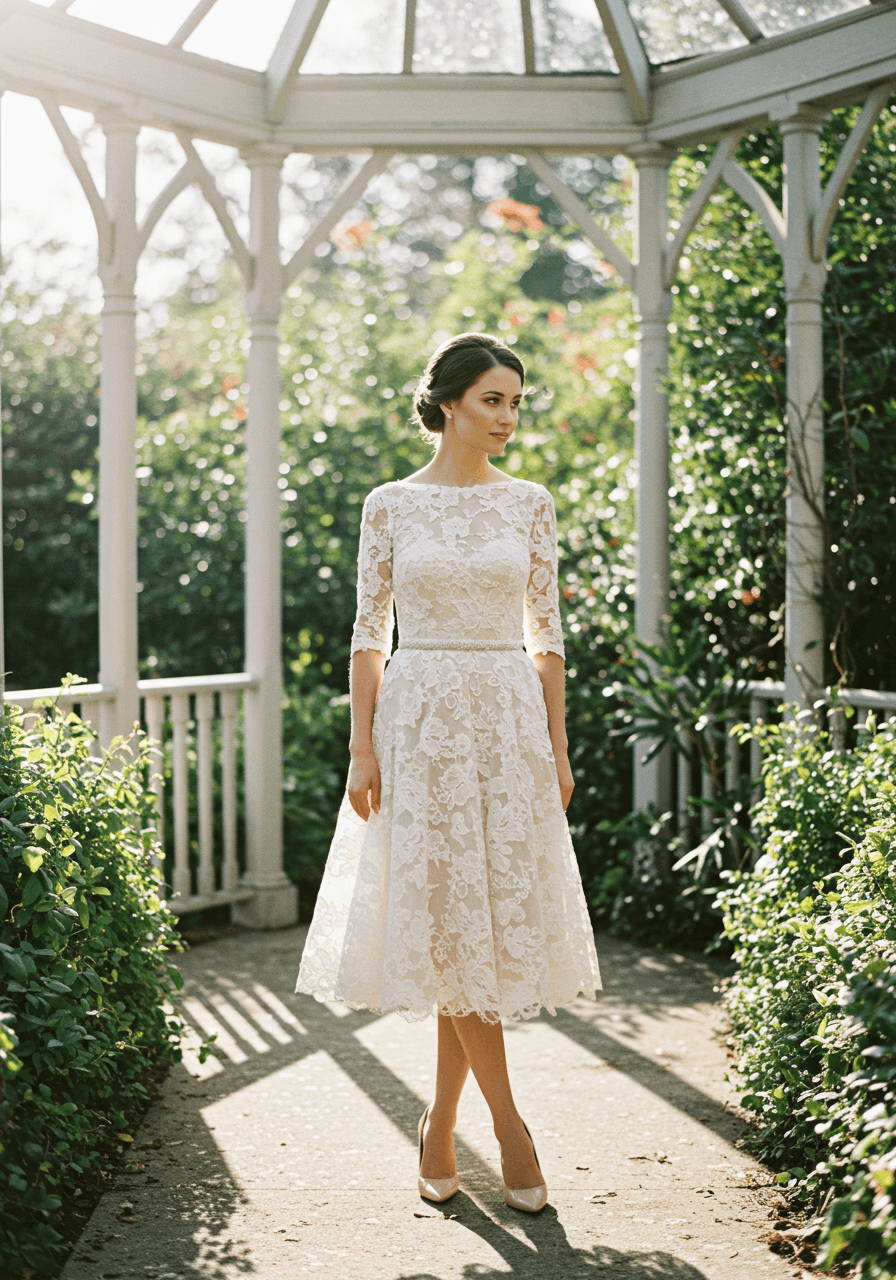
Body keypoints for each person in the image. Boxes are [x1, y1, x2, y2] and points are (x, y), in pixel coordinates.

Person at [295, 332, 602, 1213]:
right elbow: (368, 634)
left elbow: (548, 638)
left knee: (481, 923)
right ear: (449, 402)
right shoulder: (389, 504)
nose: (508, 418)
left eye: (516, 402)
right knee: (443, 917)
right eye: (493, 401)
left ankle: (438, 1122)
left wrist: (559, 746)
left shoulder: (530, 505)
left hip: (506, 723)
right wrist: (362, 747)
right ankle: (510, 1128)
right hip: (419, 718)